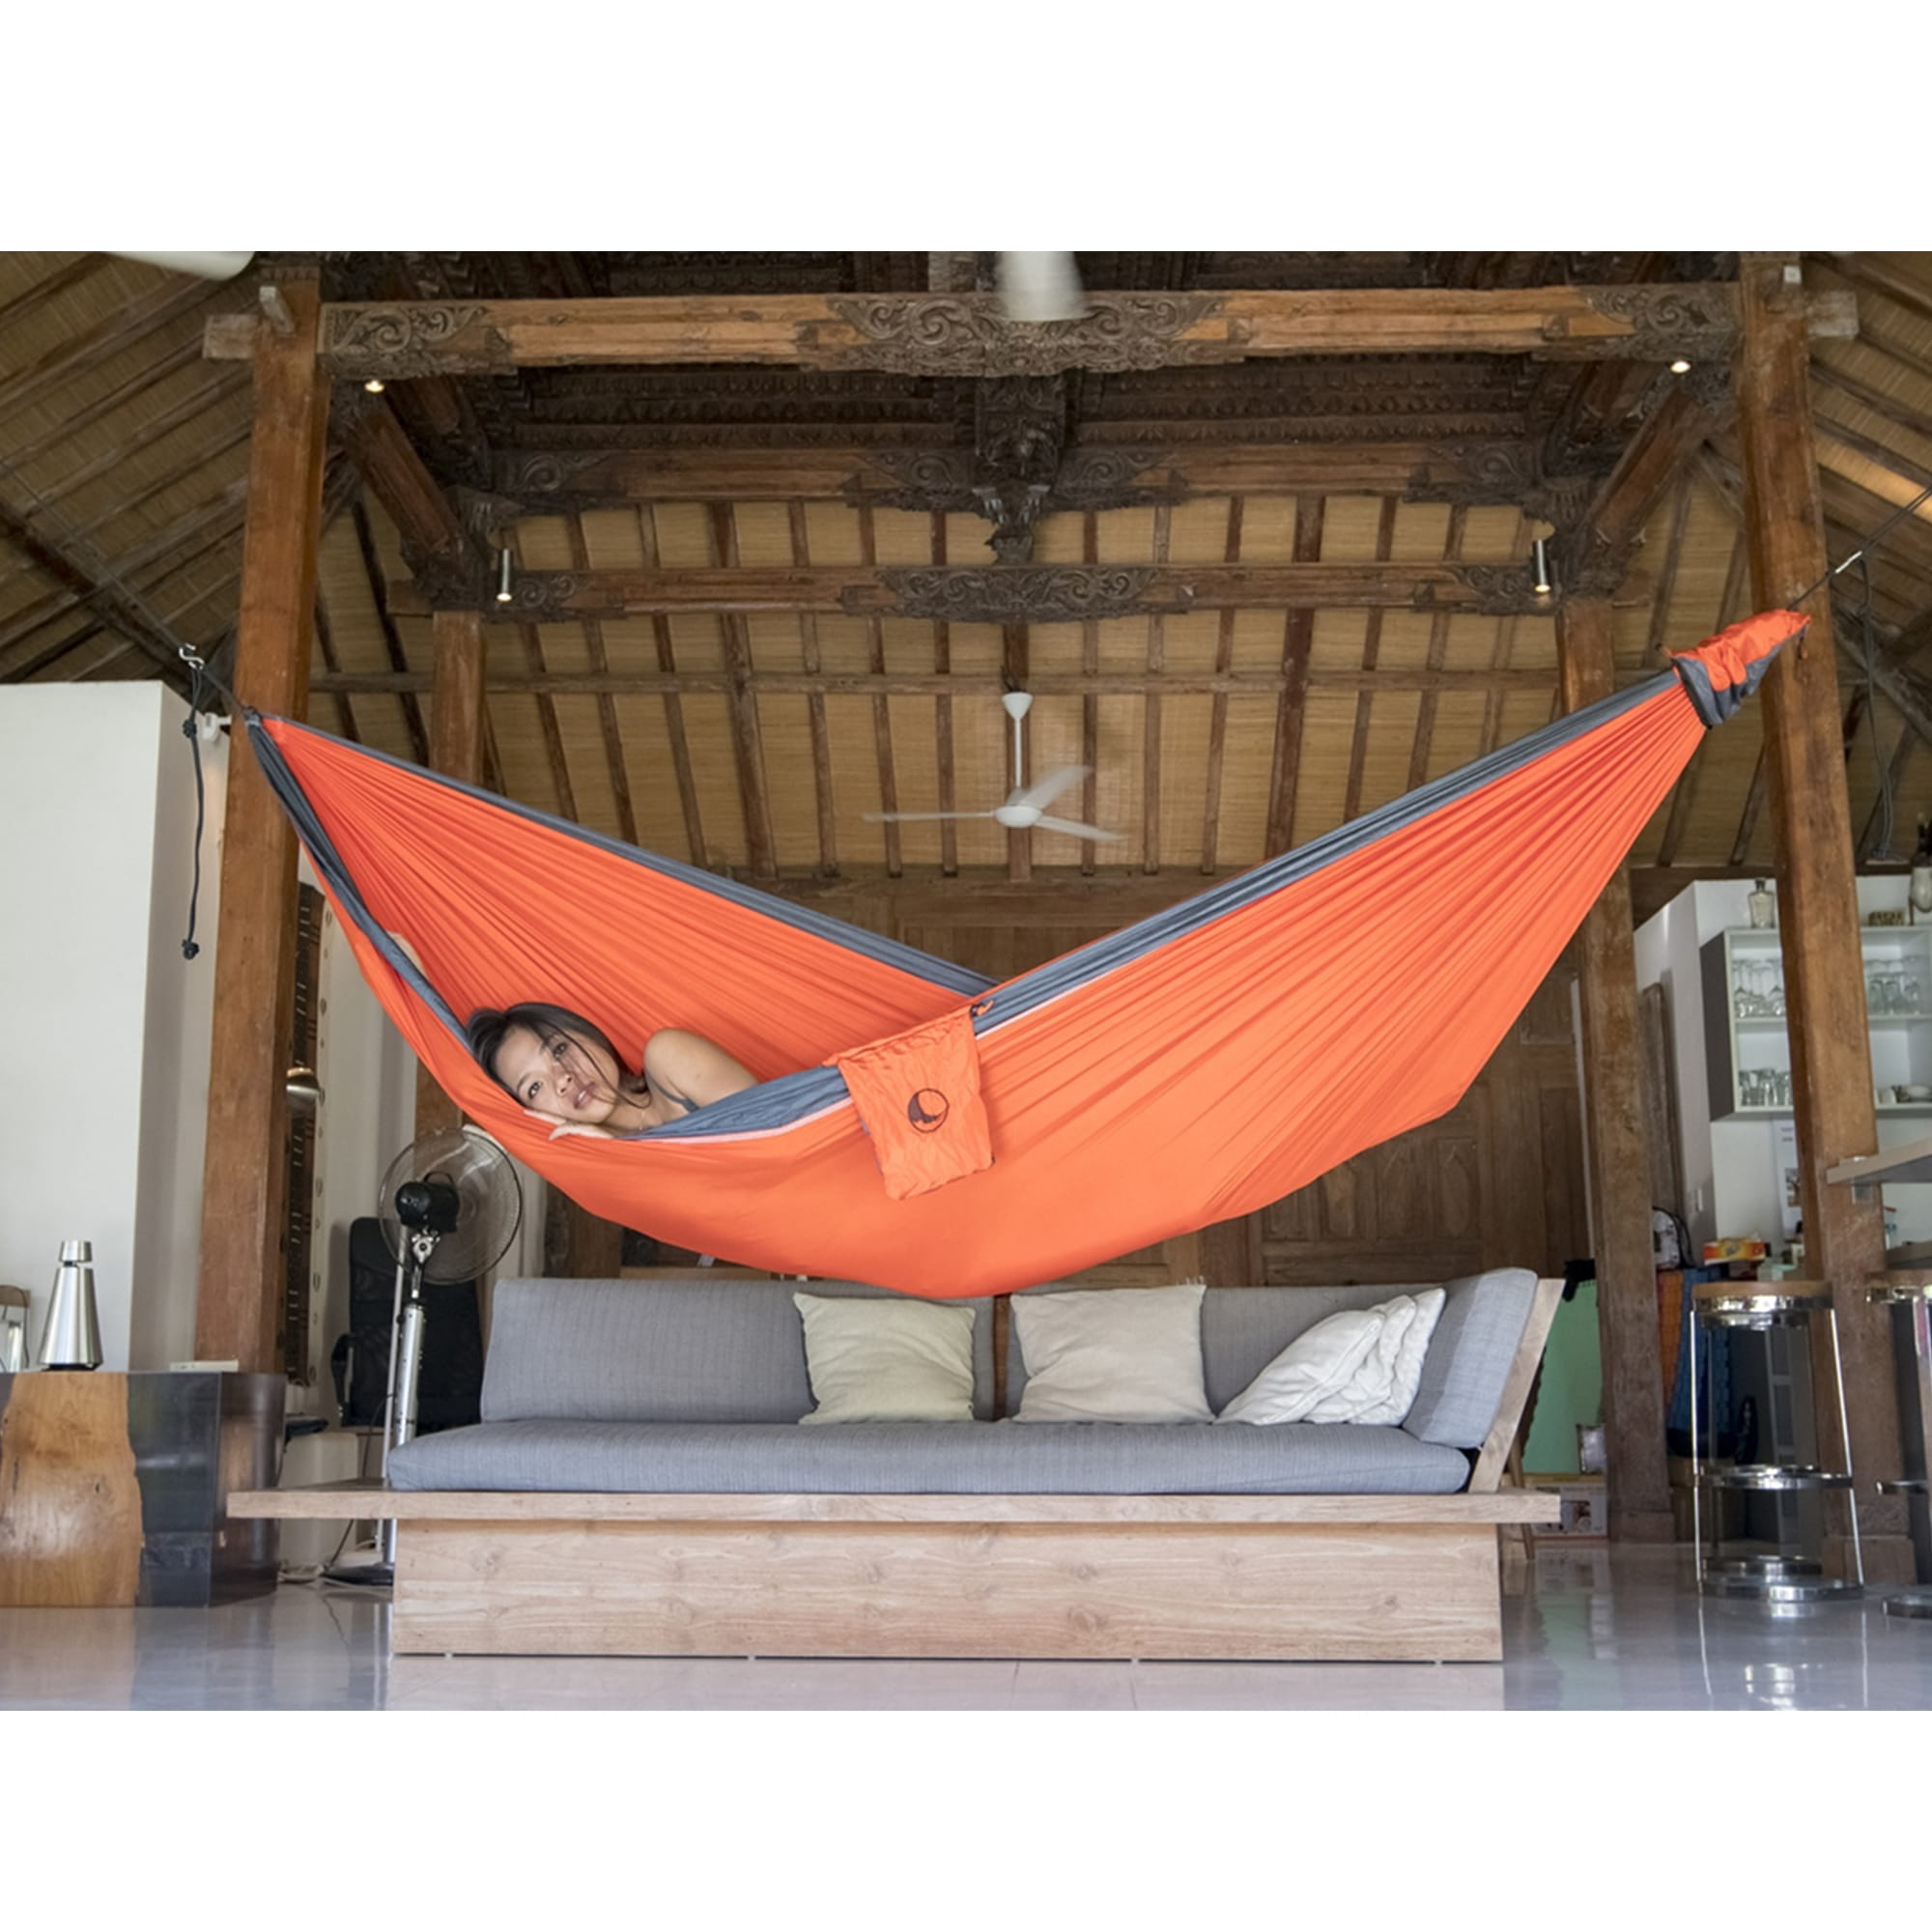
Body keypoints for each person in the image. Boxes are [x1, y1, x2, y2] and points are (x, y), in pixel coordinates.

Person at [467, 1002, 756, 1139]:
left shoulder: (669, 1057)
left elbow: (771, 1136)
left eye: (559, 1050)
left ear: (587, 1033)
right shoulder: (612, 1173)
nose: (562, 1079)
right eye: (534, 1087)